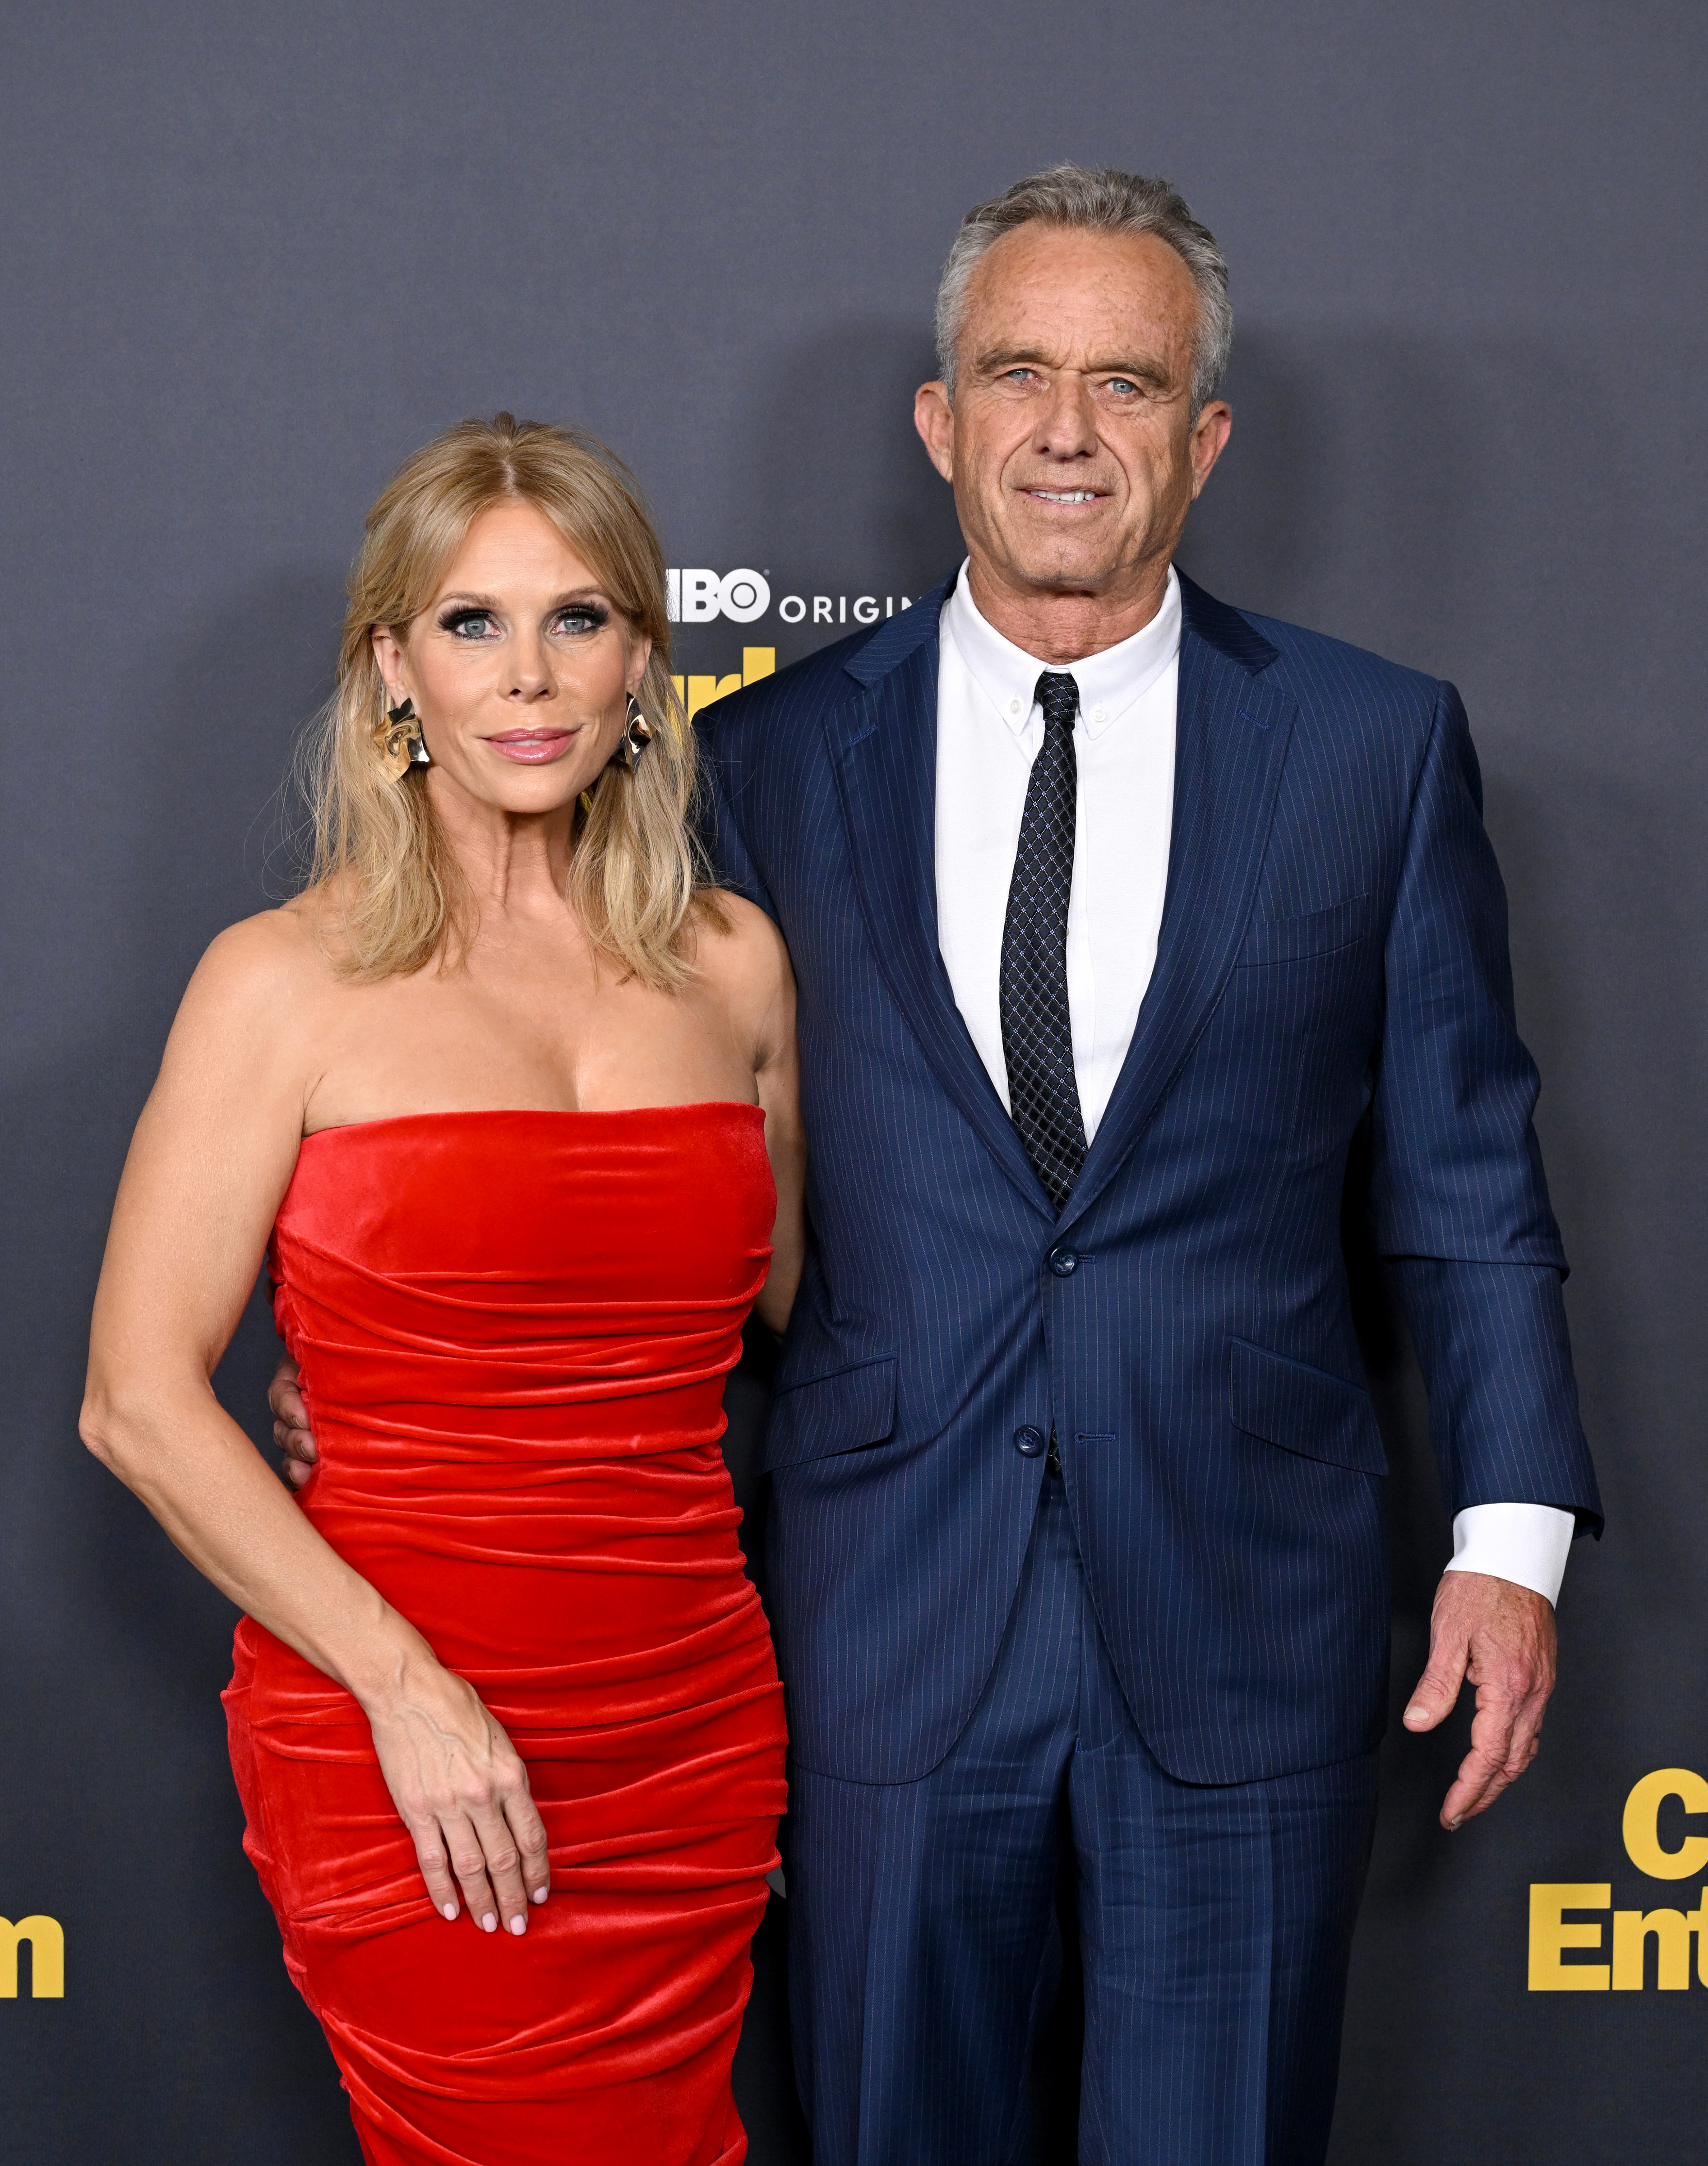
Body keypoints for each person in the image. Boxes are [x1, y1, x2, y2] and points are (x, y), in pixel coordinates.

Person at [268, 167, 1599, 2164]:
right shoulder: (765, 764)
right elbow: (629, 1134)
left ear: (1203, 436)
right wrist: (421, 1389)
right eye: (1017, 374)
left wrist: (1508, 1548)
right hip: (875, 1630)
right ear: (938, 419)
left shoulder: (1371, 748)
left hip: (1246, 1609)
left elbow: (1465, 1184)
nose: (1067, 430)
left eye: (1127, 385)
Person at [83, 415, 800, 2166]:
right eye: (471, 625)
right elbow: (134, 1401)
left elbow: (800, 1311)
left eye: (578, 619)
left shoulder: (732, 964)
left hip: (689, 1720)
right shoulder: (282, 982)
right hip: (399, 1721)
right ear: (391, 664)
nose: (530, 677)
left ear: (645, 657)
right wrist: (408, 1691)